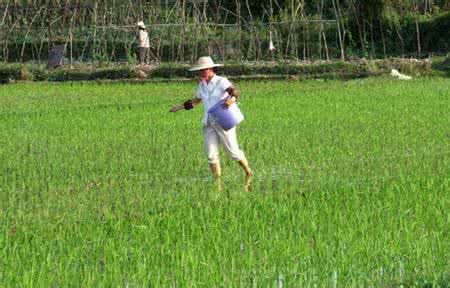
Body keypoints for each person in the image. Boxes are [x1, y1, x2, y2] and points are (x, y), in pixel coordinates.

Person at [170, 56, 253, 191]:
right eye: (201, 70)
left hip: (224, 121)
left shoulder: (221, 81)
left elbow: (235, 91)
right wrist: (178, 107)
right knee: (211, 155)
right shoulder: (201, 85)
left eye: (205, 70)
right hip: (209, 123)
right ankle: (218, 185)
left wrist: (231, 99)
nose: (203, 72)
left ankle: (248, 171)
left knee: (233, 152)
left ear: (211, 69)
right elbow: (196, 101)